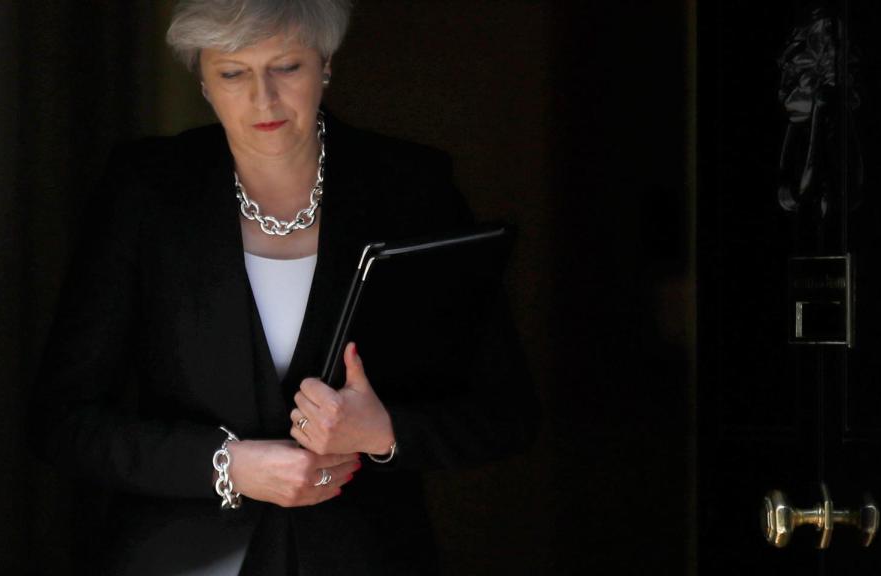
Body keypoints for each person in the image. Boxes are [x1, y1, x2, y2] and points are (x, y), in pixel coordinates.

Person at [34, 1, 539, 574]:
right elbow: (62, 420)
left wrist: (386, 431)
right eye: (233, 73)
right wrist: (224, 465)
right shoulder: (144, 191)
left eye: (287, 67)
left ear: (325, 62)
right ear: (202, 80)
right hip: (179, 558)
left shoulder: (413, 188)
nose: (263, 99)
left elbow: (508, 412)